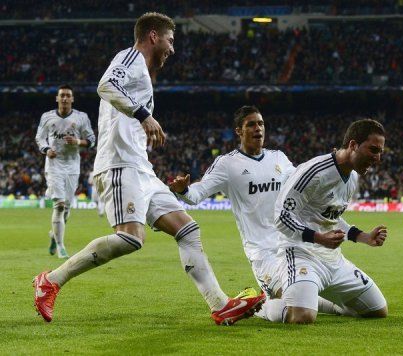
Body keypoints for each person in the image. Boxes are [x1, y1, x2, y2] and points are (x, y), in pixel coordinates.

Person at [33, 12, 264, 325]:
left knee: (187, 229)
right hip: (118, 164)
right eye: (170, 40)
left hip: (140, 169)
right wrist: (144, 115)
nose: (172, 48)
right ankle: (51, 281)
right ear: (153, 36)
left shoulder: (142, 73)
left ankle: (220, 304)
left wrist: (143, 122)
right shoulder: (130, 58)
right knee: (131, 238)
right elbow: (105, 84)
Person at [171, 106, 349, 322]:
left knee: (314, 300)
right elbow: (197, 194)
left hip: (294, 245)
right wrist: (184, 190)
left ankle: (335, 306)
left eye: (261, 124)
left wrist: (328, 165)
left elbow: (302, 185)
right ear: (239, 131)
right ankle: (253, 305)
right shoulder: (227, 164)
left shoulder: (278, 158)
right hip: (262, 252)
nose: (258, 129)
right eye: (251, 124)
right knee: (292, 302)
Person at [274, 118, 388, 323]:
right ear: (353, 145)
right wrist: (318, 238)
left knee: (377, 310)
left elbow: (331, 217)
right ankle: (260, 306)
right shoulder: (314, 172)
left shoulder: (352, 177)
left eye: (380, 152)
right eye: (373, 150)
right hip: (301, 253)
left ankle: (309, 297)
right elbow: (281, 217)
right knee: (301, 317)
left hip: (333, 260)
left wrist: (363, 237)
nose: (377, 158)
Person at [35, 84, 96, 259]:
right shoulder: (47, 117)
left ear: (72, 99)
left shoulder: (81, 117)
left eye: (68, 95)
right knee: (59, 205)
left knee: (66, 208)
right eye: (61, 95)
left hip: (72, 166)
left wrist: (78, 142)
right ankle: (61, 246)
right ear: (57, 98)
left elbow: (91, 139)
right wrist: (46, 149)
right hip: (54, 165)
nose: (64, 98)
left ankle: (54, 236)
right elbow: (39, 137)